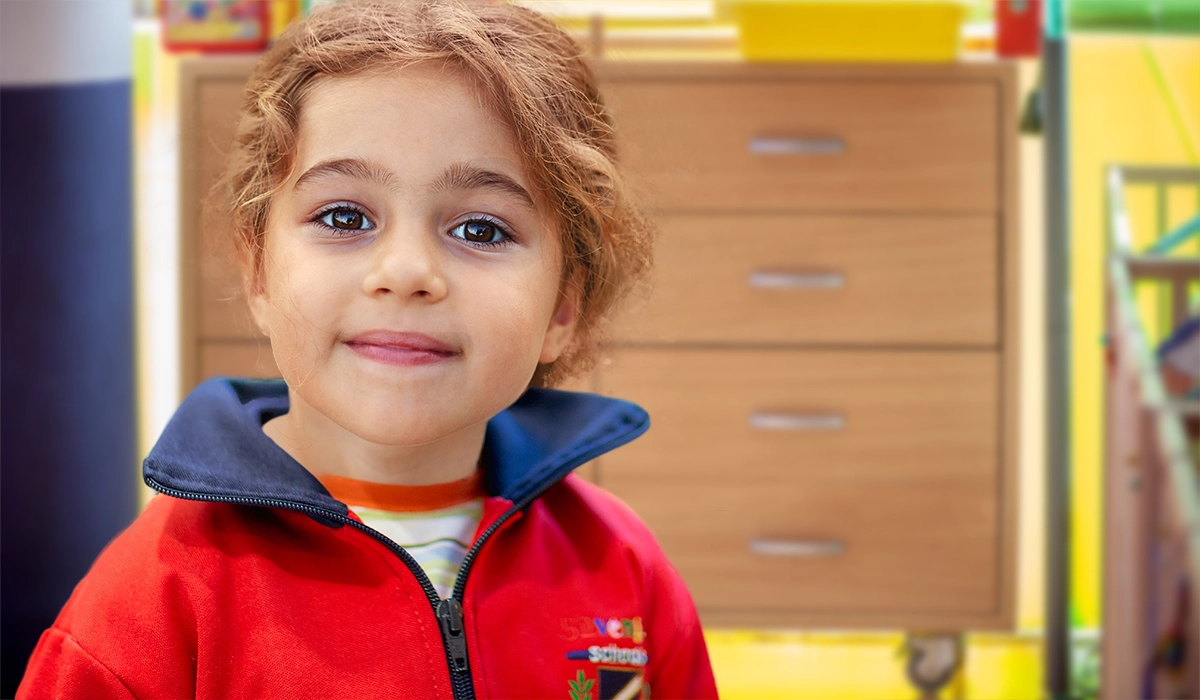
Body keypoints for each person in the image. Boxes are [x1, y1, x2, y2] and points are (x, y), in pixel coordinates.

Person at [17, 1, 718, 698]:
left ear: (563, 306)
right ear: (259, 273)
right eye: (345, 217)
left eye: (481, 230)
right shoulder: (146, 606)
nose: (406, 272)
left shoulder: (625, 566)